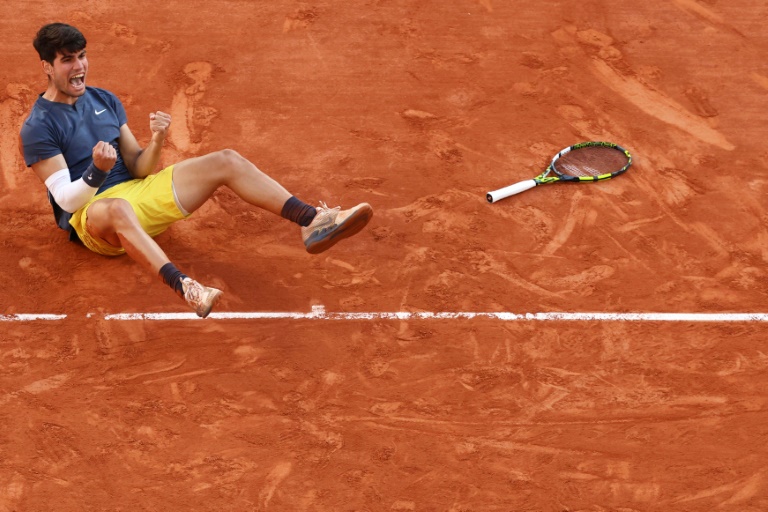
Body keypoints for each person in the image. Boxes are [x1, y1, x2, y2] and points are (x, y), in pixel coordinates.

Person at [20, 23, 373, 318]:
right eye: (67, 60)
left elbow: (140, 169)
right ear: (47, 67)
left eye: (82, 56)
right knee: (117, 207)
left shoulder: (104, 100)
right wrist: (96, 172)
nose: (79, 66)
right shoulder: (38, 127)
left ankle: (311, 220)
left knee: (227, 160)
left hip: (136, 196)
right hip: (95, 218)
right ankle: (185, 287)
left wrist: (157, 139)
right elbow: (66, 202)